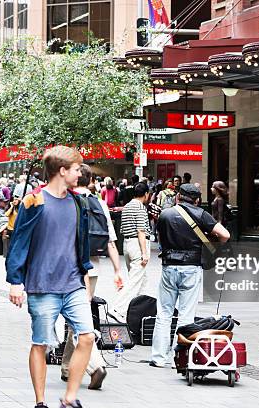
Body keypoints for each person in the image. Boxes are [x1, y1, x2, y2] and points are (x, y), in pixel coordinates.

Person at [6, 146, 95, 408]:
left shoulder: (80, 202)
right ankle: (41, 402)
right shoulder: (34, 201)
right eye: (77, 169)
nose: (80, 173)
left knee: (87, 336)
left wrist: (85, 273)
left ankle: (69, 397)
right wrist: (15, 281)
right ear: (62, 170)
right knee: (41, 344)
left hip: (73, 283)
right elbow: (18, 242)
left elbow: (82, 242)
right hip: (42, 285)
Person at [150, 184, 229, 367]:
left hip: (169, 266)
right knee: (186, 314)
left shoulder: (165, 214)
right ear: (197, 200)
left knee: (164, 313)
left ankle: (158, 358)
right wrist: (211, 239)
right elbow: (225, 234)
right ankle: (179, 358)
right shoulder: (201, 214)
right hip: (191, 267)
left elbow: (160, 239)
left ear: (178, 197)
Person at [60, 164, 123, 390]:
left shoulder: (67, 200)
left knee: (77, 318)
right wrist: (117, 271)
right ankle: (68, 366)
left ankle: (94, 365)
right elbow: (110, 241)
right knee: (77, 315)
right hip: (93, 268)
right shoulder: (100, 204)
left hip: (69, 268)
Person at [110, 182, 151, 322]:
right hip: (137, 244)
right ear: (146, 194)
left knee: (141, 280)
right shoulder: (140, 207)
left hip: (127, 244)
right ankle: (118, 308)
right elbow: (141, 230)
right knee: (135, 281)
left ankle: (137, 313)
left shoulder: (127, 206)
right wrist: (144, 252)